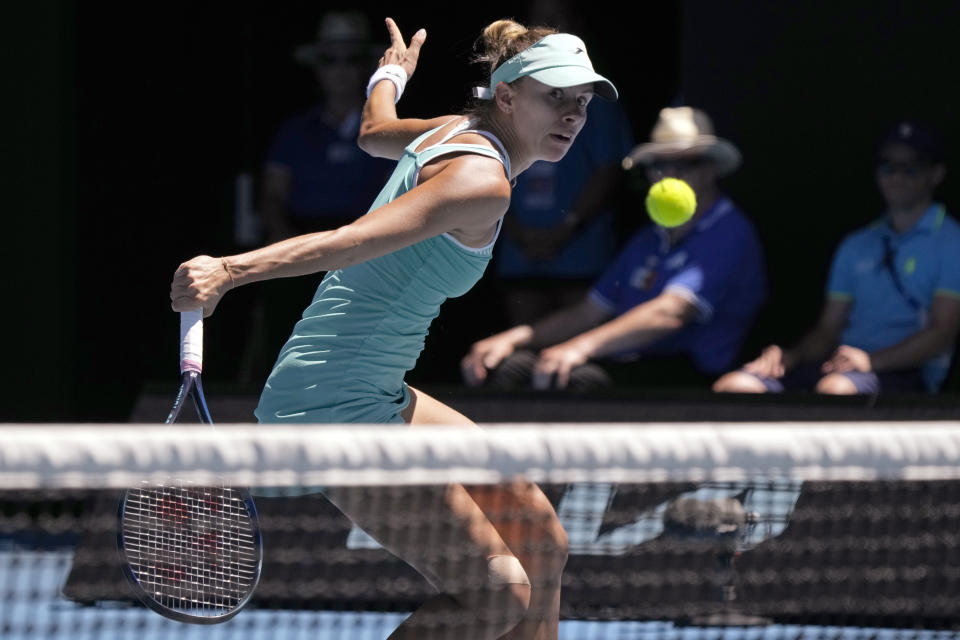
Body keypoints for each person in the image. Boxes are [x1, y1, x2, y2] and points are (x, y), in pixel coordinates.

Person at [171, 17, 618, 640]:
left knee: (541, 538)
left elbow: (374, 131)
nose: (572, 115)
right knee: (497, 596)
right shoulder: (480, 182)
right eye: (555, 98)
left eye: (581, 103)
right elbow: (349, 244)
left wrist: (390, 75)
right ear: (509, 96)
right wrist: (228, 269)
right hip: (328, 404)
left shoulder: (454, 130)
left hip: (376, 386)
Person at [461, 106, 766, 392]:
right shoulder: (647, 240)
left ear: (710, 169)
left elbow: (670, 314)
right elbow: (589, 311)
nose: (670, 173)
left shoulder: (730, 232)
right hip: (629, 363)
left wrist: (580, 347)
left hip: (691, 375)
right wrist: (514, 340)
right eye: (660, 164)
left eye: (686, 163)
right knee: (511, 368)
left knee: (571, 379)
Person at [713, 120, 960, 396]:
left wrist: (871, 361)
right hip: (840, 367)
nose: (897, 176)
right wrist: (791, 356)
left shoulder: (952, 241)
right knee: (736, 386)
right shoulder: (856, 244)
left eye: (911, 166)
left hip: (904, 374)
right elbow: (828, 330)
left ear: (936, 174)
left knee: (835, 391)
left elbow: (943, 332)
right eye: (887, 165)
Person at [492, 0, 636, 326]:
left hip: (580, 255)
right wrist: (513, 230)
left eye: (581, 102)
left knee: (570, 360)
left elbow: (610, 168)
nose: (571, 115)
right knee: (517, 358)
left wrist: (565, 229)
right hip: (520, 253)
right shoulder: (505, 97)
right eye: (541, 20)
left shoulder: (599, 100)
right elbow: (487, 163)